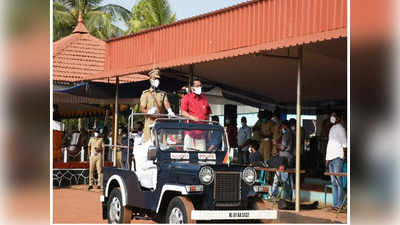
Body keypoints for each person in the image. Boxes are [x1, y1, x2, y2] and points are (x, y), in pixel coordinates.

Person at [140, 69, 175, 142]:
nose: (156, 80)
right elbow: (142, 109)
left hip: (160, 122)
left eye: (158, 79)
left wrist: (170, 111)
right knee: (150, 145)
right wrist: (149, 111)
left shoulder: (162, 93)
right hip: (150, 122)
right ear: (150, 80)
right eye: (154, 78)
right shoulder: (145, 94)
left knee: (161, 144)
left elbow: (166, 103)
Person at [180, 79, 212, 151]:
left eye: (200, 86)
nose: (199, 87)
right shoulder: (186, 98)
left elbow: (208, 115)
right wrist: (192, 117)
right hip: (190, 134)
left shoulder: (204, 99)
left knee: (202, 159)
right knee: (188, 158)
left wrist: (209, 130)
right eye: (197, 86)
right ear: (192, 88)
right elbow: (183, 112)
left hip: (202, 135)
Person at [266, 120, 294, 201]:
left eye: (282, 126)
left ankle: (287, 198)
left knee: (285, 179)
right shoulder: (288, 133)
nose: (281, 128)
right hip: (284, 158)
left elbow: (283, 147)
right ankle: (274, 195)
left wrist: (275, 144)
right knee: (278, 178)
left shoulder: (287, 134)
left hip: (285, 159)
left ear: (284, 126)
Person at [326, 112, 347, 210]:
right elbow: (329, 144)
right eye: (332, 115)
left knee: (339, 182)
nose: (332, 117)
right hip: (330, 158)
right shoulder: (331, 128)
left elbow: (345, 145)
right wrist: (327, 158)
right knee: (333, 183)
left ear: (338, 118)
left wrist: (344, 157)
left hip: (338, 158)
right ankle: (335, 205)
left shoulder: (341, 129)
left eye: (334, 115)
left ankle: (339, 204)